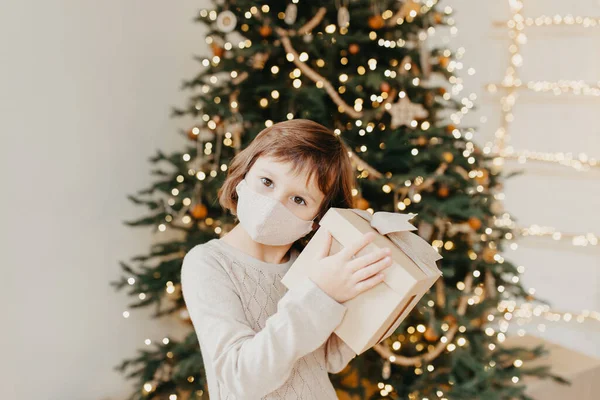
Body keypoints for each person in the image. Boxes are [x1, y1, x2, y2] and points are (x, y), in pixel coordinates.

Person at [180, 119, 393, 399]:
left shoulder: (313, 266)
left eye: (299, 200)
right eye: (267, 182)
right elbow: (240, 378)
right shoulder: (208, 263)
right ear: (245, 173)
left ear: (318, 219)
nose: (274, 204)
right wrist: (319, 293)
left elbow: (330, 358)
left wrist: (380, 297)